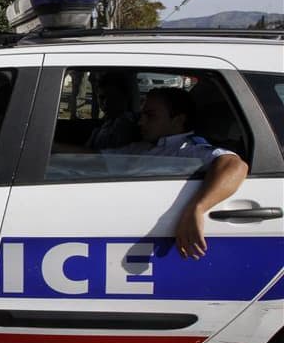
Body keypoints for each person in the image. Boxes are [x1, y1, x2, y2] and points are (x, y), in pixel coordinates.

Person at [103, 88, 248, 260]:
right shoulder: (143, 147)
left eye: (151, 115)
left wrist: (198, 207)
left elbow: (234, 165)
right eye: (141, 115)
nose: (141, 122)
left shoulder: (189, 150)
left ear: (178, 120)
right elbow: (96, 160)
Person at [86, 73, 138, 150]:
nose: (106, 102)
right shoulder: (108, 121)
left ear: (125, 98)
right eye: (102, 98)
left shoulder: (123, 124)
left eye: (113, 97)